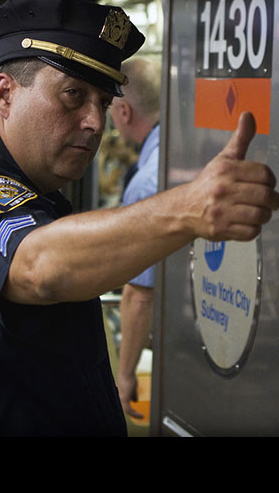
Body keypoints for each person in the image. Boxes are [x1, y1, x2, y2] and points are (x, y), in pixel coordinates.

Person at [0, 0, 279, 437]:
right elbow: (38, 266)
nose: (95, 121)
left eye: (103, 103)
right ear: (4, 94)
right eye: (73, 95)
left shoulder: (22, 181)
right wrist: (186, 210)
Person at [109, 57, 160, 419]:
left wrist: (125, 375)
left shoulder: (144, 185)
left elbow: (140, 295)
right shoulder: (177, 156)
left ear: (124, 112)